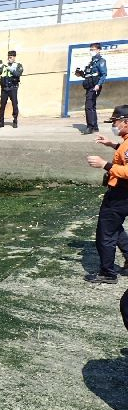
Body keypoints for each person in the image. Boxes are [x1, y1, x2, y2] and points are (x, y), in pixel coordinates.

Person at [85, 105, 128, 284]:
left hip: (121, 194)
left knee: (105, 233)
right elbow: (125, 153)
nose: (114, 125)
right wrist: (111, 144)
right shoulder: (126, 140)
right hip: (121, 194)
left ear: (126, 122)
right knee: (115, 228)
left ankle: (107, 273)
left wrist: (105, 165)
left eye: (116, 122)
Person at [76, 43, 107, 135]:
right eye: (91, 49)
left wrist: (98, 85)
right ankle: (95, 126)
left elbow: (103, 74)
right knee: (91, 106)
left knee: (89, 106)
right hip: (89, 85)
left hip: (95, 86)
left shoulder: (101, 61)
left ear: (98, 50)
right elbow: (88, 75)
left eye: (93, 49)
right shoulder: (91, 62)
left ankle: (90, 127)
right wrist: (80, 74)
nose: (91, 51)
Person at [0, 50, 23, 129]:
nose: (9, 59)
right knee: (2, 105)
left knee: (14, 104)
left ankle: (15, 120)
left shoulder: (18, 65)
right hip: (4, 88)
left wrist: (9, 68)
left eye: (11, 57)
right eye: (8, 57)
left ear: (14, 57)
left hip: (13, 88)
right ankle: (1, 122)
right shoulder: (4, 66)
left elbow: (17, 74)